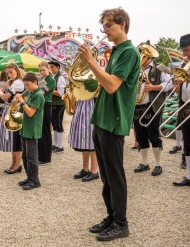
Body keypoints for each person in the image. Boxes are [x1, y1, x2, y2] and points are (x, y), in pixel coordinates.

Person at [78, 7, 140, 241]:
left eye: (108, 26)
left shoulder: (128, 52)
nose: (104, 31)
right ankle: (111, 217)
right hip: (102, 117)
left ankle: (121, 223)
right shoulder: (115, 51)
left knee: (115, 176)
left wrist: (91, 62)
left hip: (113, 120)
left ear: (122, 23)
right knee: (105, 176)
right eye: (103, 26)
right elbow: (105, 84)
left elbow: (113, 85)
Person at [133, 41, 172, 176]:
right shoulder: (135, 69)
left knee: (153, 135)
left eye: (143, 54)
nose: (141, 57)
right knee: (140, 136)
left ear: (150, 57)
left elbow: (169, 84)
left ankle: (158, 164)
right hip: (137, 106)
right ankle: (144, 163)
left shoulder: (160, 68)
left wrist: (154, 88)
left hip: (152, 106)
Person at [14, 72, 44, 190]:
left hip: (32, 129)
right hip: (25, 128)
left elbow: (31, 113)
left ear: (35, 82)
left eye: (28, 85)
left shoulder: (38, 95)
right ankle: (29, 177)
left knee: (32, 157)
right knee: (25, 157)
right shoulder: (31, 93)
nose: (26, 87)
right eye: (25, 85)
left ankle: (35, 180)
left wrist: (21, 101)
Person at [0, 63, 24, 174]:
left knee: (16, 139)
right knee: (12, 139)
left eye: (11, 72)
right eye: (8, 73)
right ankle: (13, 163)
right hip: (10, 110)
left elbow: (6, 97)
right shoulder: (11, 83)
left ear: (17, 71)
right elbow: (5, 98)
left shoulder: (19, 83)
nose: (9, 74)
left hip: (16, 112)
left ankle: (17, 165)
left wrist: (0, 92)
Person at [173, 33, 190, 186]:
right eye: (183, 50)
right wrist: (178, 84)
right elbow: (180, 91)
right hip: (185, 108)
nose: (184, 54)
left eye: (186, 50)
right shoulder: (185, 66)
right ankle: (189, 175)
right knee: (188, 142)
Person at [37, 61, 56, 164]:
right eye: (40, 70)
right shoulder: (41, 79)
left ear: (48, 69)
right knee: (41, 131)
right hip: (41, 105)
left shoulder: (51, 79)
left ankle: (46, 157)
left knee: (45, 131)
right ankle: (40, 155)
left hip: (46, 104)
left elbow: (42, 91)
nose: (42, 72)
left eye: (43, 70)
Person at [49, 59, 66, 154]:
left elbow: (61, 93)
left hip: (59, 104)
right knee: (55, 124)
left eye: (52, 67)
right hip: (54, 104)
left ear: (58, 67)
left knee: (58, 124)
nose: (50, 69)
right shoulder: (53, 76)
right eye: (50, 67)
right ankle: (55, 144)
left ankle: (60, 146)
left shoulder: (60, 77)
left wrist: (49, 90)